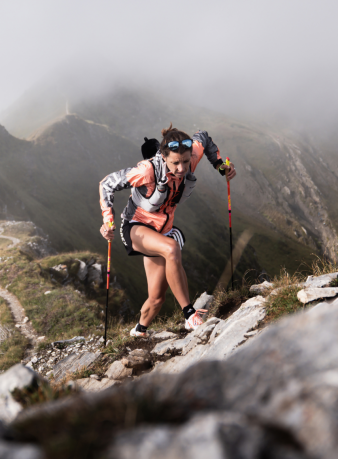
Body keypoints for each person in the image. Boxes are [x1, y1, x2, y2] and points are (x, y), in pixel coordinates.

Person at [98, 125, 237, 337]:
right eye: (175, 163)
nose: (182, 168)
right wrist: (107, 221)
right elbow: (107, 183)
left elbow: (204, 138)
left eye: (185, 161)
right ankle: (190, 315)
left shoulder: (191, 156)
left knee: (157, 299)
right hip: (135, 226)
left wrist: (220, 166)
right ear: (163, 156)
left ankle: (139, 331)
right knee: (172, 247)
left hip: (163, 230)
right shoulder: (146, 171)